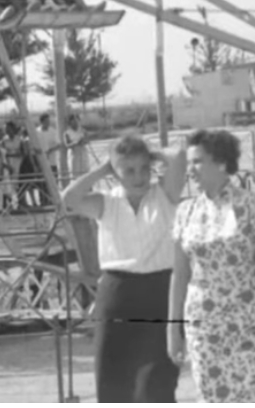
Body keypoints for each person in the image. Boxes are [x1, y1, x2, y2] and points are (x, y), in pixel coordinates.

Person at [61, 132, 186, 402]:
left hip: (160, 292)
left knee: (156, 384)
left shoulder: (165, 195)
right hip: (118, 294)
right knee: (114, 381)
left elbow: (179, 159)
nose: (138, 176)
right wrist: (103, 168)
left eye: (144, 169)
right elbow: (69, 198)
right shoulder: (107, 203)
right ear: (116, 173)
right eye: (128, 170)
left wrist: (154, 154)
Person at [167, 129, 255, 403]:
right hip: (203, 324)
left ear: (220, 162)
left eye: (198, 161)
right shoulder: (186, 211)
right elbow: (180, 274)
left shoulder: (253, 204)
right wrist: (172, 327)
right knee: (212, 394)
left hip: (248, 320)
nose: (191, 170)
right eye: (189, 163)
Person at [64, 115, 90, 181]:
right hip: (74, 154)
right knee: (75, 174)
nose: (76, 123)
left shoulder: (83, 131)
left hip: (83, 153)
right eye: (73, 121)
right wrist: (76, 143)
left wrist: (83, 141)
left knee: (86, 172)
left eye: (77, 121)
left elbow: (87, 141)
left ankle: (88, 189)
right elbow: (67, 145)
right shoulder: (67, 133)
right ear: (70, 122)